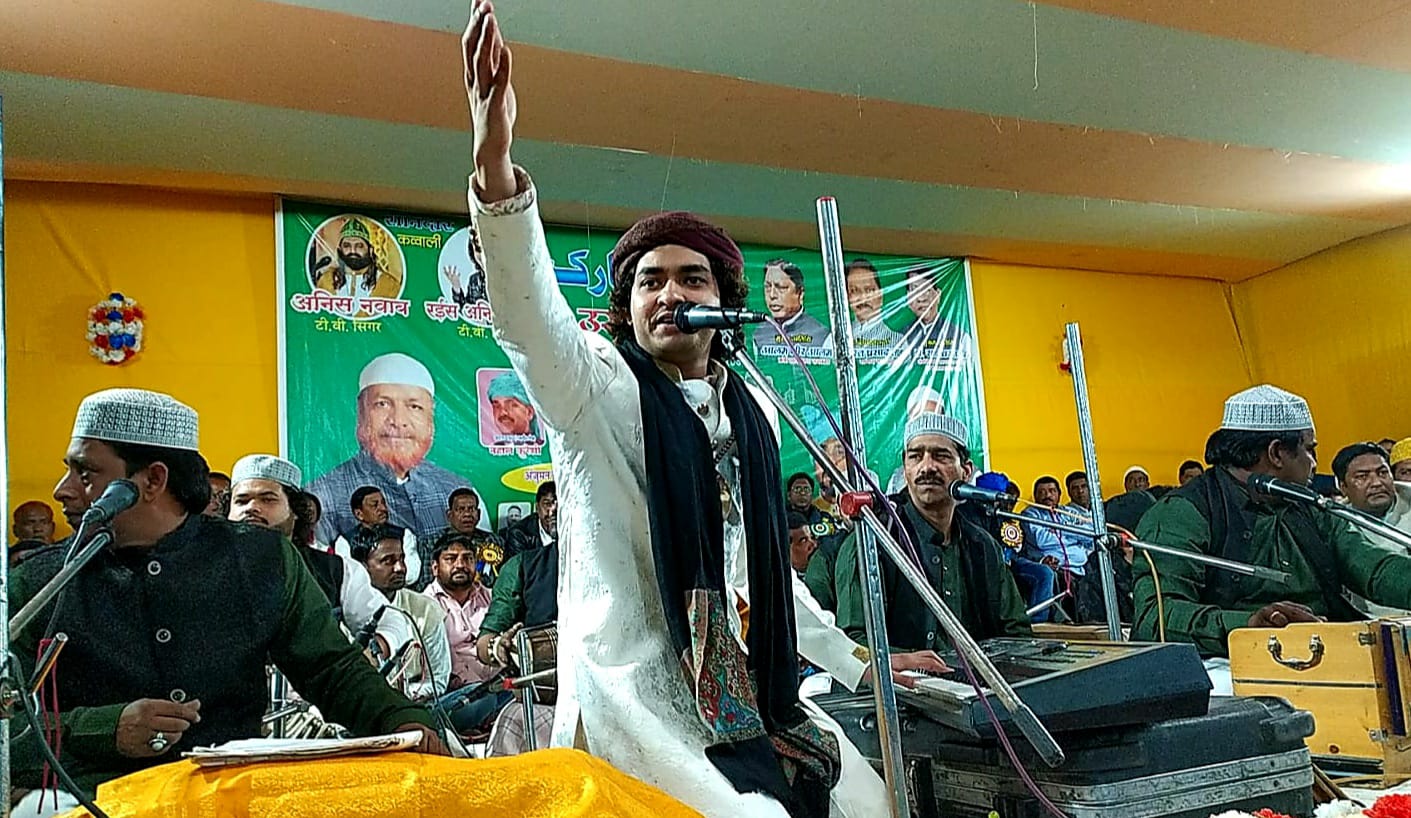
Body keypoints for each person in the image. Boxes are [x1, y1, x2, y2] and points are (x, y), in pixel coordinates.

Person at [462, 9, 941, 812]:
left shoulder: (749, 409)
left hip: (737, 688)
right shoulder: (592, 386)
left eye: (691, 279)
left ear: (723, 301)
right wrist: (494, 164)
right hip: (636, 695)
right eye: (649, 281)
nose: (669, 293)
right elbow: (527, 315)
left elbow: (755, 569)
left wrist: (859, 663)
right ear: (626, 306)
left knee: (870, 802)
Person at [10, 389, 443, 815]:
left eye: (86, 473)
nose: (63, 490)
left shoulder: (259, 559)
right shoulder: (40, 582)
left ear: (153, 480)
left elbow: (331, 669)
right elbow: (6, 727)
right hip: (89, 803)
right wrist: (104, 730)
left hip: (229, 803)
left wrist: (401, 720)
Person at [1132, 385, 1411, 657]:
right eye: (1309, 450)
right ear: (1276, 453)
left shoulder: (1304, 504)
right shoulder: (1184, 512)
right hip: (1229, 668)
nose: (1314, 463)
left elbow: (1374, 568)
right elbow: (1154, 618)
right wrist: (1249, 625)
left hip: (1329, 654)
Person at [836, 414, 1031, 651]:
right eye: (915, 456)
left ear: (966, 471)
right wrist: (912, 663)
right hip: (905, 676)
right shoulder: (874, 540)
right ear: (905, 469)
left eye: (941, 456)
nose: (927, 467)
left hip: (982, 674)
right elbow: (853, 644)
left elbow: (1016, 631)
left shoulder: (983, 546)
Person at [228, 455, 406, 652]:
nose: (252, 508)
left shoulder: (337, 571)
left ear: (294, 511)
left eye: (267, 499)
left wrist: (375, 650)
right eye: (241, 501)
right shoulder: (208, 565)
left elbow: (390, 622)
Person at [306, 352, 479, 546]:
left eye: (414, 407)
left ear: (430, 417)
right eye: (382, 404)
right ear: (361, 412)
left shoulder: (456, 489)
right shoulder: (324, 496)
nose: (398, 421)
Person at [350, 524, 453, 701]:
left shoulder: (425, 609)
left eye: (401, 559)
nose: (400, 568)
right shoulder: (345, 613)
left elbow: (438, 679)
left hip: (416, 704)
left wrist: (401, 698)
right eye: (388, 561)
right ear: (362, 567)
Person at [424, 533, 509, 733]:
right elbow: (445, 662)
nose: (460, 565)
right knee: (481, 701)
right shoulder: (425, 605)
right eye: (451, 559)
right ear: (435, 568)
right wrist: (480, 688)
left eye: (467, 558)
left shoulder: (492, 596)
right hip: (458, 692)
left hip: (500, 686)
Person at [968, 472, 1058, 624]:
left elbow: (1019, 550)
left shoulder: (1004, 516)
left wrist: (1040, 560)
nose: (1007, 504)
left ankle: (1037, 623)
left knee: (1045, 573)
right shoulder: (968, 514)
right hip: (986, 563)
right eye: (1002, 498)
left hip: (1012, 562)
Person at [1020, 475, 1096, 622]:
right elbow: (1042, 541)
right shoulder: (1030, 514)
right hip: (1056, 567)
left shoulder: (1069, 512)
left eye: (1051, 491)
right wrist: (1074, 535)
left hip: (1080, 567)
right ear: (1035, 495)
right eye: (1042, 492)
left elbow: (1090, 534)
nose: (1047, 495)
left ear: (1059, 494)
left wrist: (1058, 530)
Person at [332, 485, 421, 589]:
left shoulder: (403, 534)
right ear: (359, 514)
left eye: (383, 503)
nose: (383, 509)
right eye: (374, 505)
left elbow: (412, 574)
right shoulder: (345, 541)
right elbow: (348, 576)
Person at [786, 472, 848, 612]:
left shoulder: (826, 519)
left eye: (806, 489)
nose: (802, 493)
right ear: (789, 495)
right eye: (798, 489)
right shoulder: (779, 525)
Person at [820, 259, 901, 363]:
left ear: (880, 296)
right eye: (854, 291)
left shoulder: (898, 342)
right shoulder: (834, 341)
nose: (863, 298)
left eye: (869, 290)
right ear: (847, 298)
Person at [894, 266, 972, 369]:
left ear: (938, 295)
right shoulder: (900, 338)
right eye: (915, 291)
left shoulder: (960, 338)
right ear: (908, 298)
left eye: (927, 290)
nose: (921, 298)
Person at [424, 488, 504, 588]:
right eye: (461, 509)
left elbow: (504, 581)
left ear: (479, 514)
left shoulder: (493, 541)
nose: (467, 514)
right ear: (449, 515)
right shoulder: (430, 543)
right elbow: (426, 583)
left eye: (471, 509)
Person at [751, 259, 831, 356]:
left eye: (781, 287)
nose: (772, 295)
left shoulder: (822, 336)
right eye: (767, 287)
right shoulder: (759, 334)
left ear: (800, 293)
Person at [310, 216, 399, 301]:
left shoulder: (388, 284)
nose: (353, 251)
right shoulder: (326, 281)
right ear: (339, 250)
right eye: (347, 246)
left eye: (359, 246)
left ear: (370, 250)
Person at [502, 481, 557, 558]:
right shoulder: (519, 534)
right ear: (537, 507)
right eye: (547, 504)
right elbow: (522, 565)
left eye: (558, 504)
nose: (552, 511)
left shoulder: (573, 530)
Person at [487, 370, 542, 444]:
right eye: (497, 406)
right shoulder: (487, 449)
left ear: (529, 412)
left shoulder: (547, 449)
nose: (503, 412)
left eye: (512, 405)